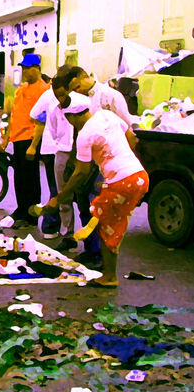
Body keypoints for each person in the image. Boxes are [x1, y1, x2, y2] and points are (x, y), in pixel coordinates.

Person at [44, 93, 148, 288]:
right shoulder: (106, 115)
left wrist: (58, 198)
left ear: (70, 117)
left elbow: (80, 173)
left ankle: (109, 276)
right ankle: (107, 270)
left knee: (106, 226)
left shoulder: (84, 135)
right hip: (139, 176)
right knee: (111, 218)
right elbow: (131, 138)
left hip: (122, 181)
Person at [52, 65, 134, 266]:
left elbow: (128, 131)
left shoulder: (111, 96)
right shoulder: (76, 101)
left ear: (85, 76)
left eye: (77, 86)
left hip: (107, 164)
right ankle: (90, 249)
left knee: (95, 206)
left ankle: (100, 255)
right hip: (86, 156)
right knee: (82, 201)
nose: (76, 91)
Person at [1, 53, 49, 228]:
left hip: (30, 139)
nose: (25, 71)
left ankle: (31, 215)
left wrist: (34, 145)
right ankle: (21, 209)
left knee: (31, 179)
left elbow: (41, 120)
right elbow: (14, 115)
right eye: (23, 68)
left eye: (28, 68)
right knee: (19, 177)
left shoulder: (43, 90)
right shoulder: (21, 88)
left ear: (37, 68)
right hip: (17, 138)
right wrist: (6, 139)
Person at [27, 84, 75, 247]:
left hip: (51, 148)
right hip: (69, 149)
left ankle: (52, 227)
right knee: (66, 191)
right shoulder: (76, 96)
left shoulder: (48, 95)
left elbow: (32, 115)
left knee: (57, 190)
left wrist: (45, 119)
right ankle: (57, 228)